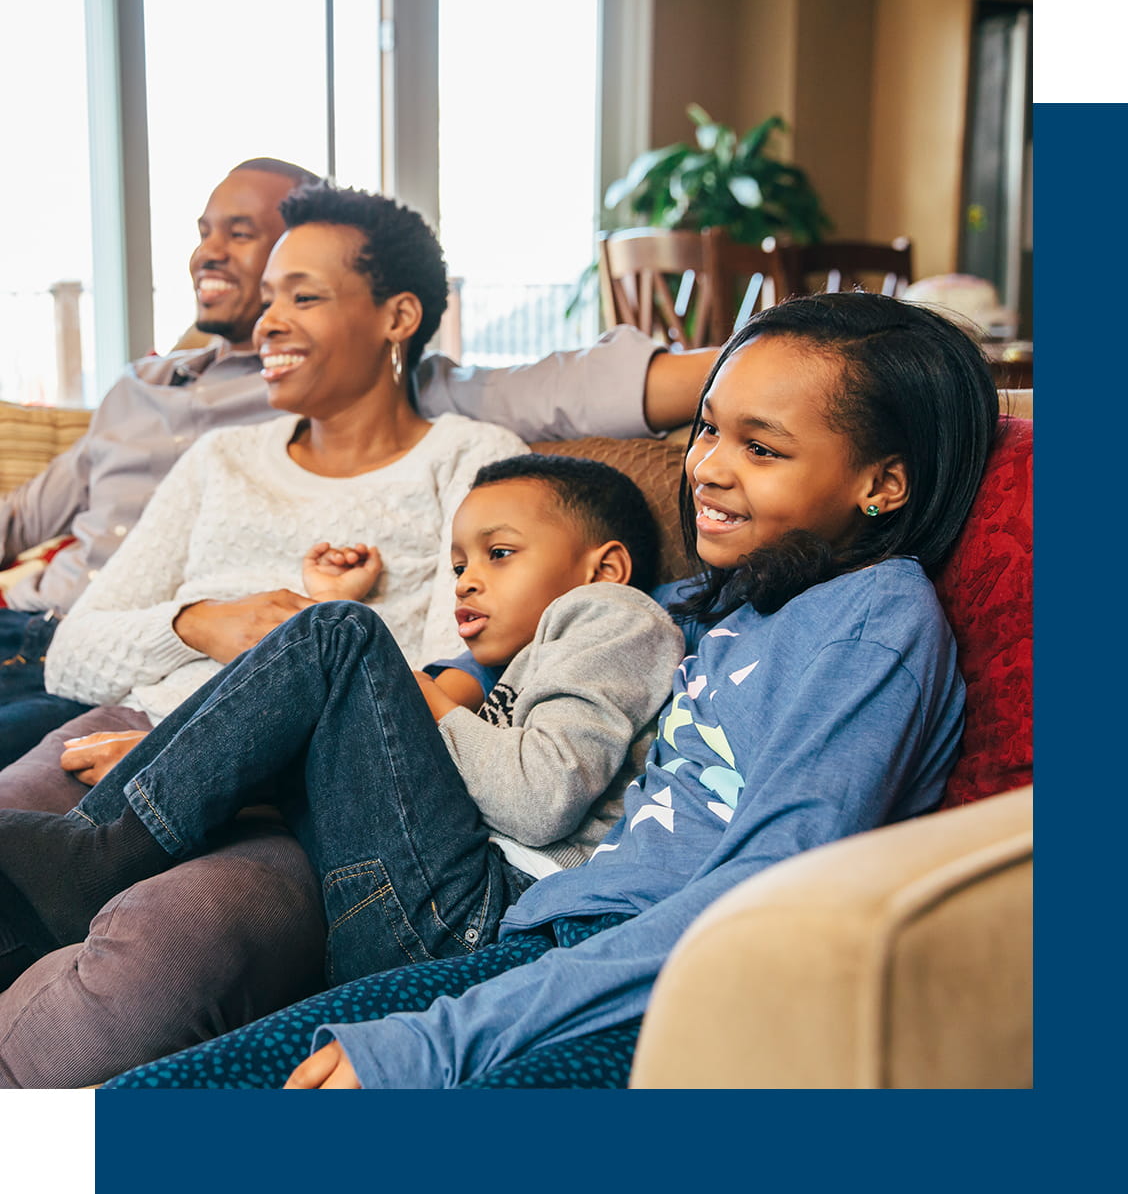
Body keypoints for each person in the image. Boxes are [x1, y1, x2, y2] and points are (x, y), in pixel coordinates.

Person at [92, 290, 999, 1090]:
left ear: (883, 484)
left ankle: (83, 858)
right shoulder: (732, 600)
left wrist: (449, 1037)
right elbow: (511, 675)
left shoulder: (874, 624)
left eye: (760, 448)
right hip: (544, 938)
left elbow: (767, 894)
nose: (708, 467)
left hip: (646, 983)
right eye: (709, 430)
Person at [0, 160, 717, 770]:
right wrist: (197, 623)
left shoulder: (470, 455)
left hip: (266, 764)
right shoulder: (209, 444)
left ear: (396, 318)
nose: (267, 322)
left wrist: (759, 361)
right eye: (271, 298)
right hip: (122, 706)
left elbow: (445, 684)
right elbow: (73, 650)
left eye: (302, 295)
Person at [0, 454, 685, 991]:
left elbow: (538, 800)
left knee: (338, 633)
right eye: (457, 565)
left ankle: (96, 854)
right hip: (419, 916)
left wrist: (423, 697)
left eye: (498, 554)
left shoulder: (615, 616)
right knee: (334, 644)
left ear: (606, 568)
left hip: (489, 921)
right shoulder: (509, 668)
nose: (466, 581)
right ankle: (75, 868)